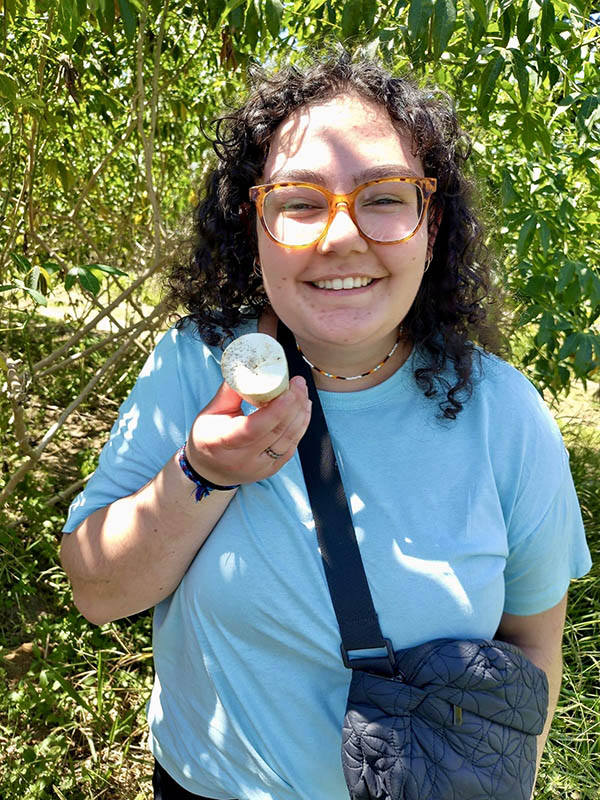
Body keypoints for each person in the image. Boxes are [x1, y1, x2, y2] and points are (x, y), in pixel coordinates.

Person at [60, 50, 591, 800]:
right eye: (301, 201)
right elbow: (97, 590)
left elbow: (532, 652)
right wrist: (201, 475)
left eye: (384, 197)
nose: (341, 237)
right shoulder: (192, 366)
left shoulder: (505, 415)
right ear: (257, 226)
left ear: (430, 227)